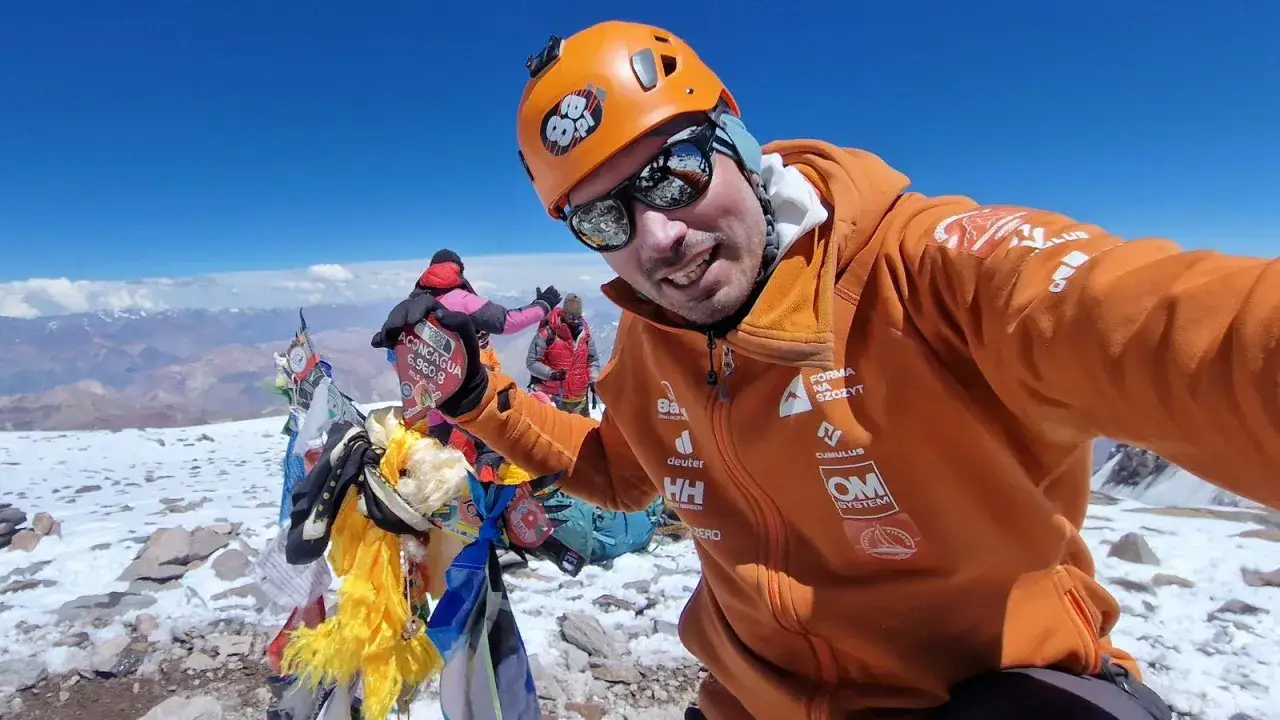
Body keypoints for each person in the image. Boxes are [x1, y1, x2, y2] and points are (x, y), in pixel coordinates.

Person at [370, 20, 1280, 720]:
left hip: (992, 697)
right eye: (604, 220)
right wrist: (475, 397)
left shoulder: (930, 274)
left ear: (735, 138)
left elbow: (1185, 331)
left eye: (674, 173)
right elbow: (622, 470)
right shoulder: (654, 338)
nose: (657, 239)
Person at [525, 292, 600, 416]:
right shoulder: (548, 333)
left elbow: (592, 360)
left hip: (579, 399)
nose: (575, 321)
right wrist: (551, 374)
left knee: (582, 433)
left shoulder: (585, 335)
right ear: (564, 313)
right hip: (554, 397)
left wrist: (594, 379)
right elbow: (532, 362)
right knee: (556, 433)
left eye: (577, 317)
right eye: (571, 317)